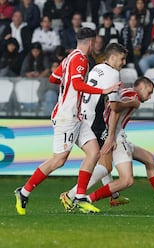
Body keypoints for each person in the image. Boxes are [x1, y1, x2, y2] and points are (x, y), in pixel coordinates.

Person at [14, 27, 120, 215]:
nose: (96, 45)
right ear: (91, 42)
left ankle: (79, 196)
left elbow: (54, 78)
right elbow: (77, 84)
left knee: (94, 152)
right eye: (95, 42)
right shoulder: (80, 58)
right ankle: (24, 192)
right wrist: (102, 91)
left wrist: (66, 86)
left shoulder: (69, 57)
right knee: (58, 160)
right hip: (67, 117)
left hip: (76, 116)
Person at [78, 76, 154, 213]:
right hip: (116, 138)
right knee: (126, 180)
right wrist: (111, 137)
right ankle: (87, 199)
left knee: (149, 159)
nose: (150, 96)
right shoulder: (132, 96)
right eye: (150, 91)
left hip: (116, 135)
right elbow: (114, 108)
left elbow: (110, 104)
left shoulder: (126, 92)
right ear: (143, 87)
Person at [59, 43, 131, 210]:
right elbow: (114, 107)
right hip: (94, 121)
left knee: (103, 159)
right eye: (122, 58)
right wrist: (111, 134)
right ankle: (71, 195)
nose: (124, 62)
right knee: (105, 165)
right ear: (112, 58)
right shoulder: (113, 74)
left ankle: (114, 195)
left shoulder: (97, 68)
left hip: (84, 115)